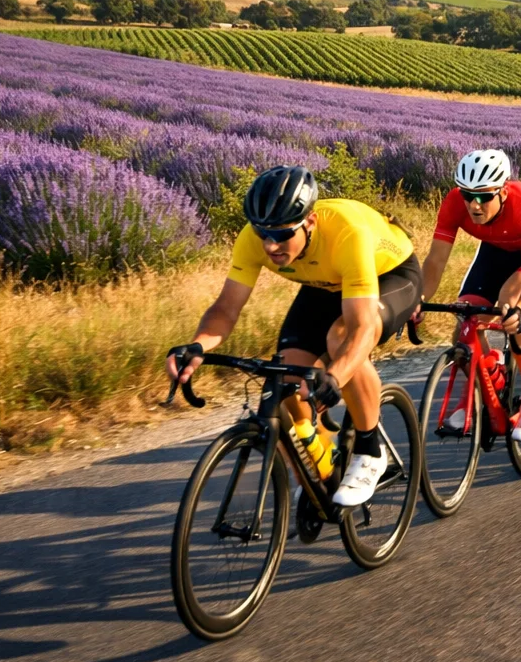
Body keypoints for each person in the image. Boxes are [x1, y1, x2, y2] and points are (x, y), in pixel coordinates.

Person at [166, 166, 422, 507]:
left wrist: (335, 375)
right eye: (263, 233)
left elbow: (360, 327)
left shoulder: (347, 232)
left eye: (283, 234)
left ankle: (370, 449)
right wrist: (198, 345)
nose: (271, 245)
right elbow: (226, 308)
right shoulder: (253, 240)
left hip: (389, 274)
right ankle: (320, 468)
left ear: (310, 223)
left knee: (340, 340)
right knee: (285, 382)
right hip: (324, 284)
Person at [419, 149, 521, 444]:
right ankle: (487, 376)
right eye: (467, 194)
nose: (475, 205)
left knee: (510, 302)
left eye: (484, 197)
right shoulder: (454, 204)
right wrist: (418, 300)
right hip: (498, 248)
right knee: (468, 320)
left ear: (502, 191)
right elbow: (435, 262)